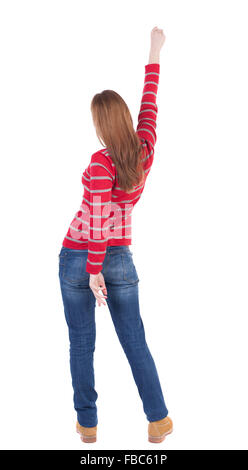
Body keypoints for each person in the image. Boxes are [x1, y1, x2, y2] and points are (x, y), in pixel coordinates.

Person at [58, 26, 173, 444]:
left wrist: (92, 271)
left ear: (101, 125)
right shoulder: (144, 148)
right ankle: (158, 420)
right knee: (134, 341)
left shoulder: (101, 160)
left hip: (81, 255)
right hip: (120, 255)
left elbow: (97, 216)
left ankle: (87, 425)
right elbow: (150, 100)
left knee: (81, 345)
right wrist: (154, 50)